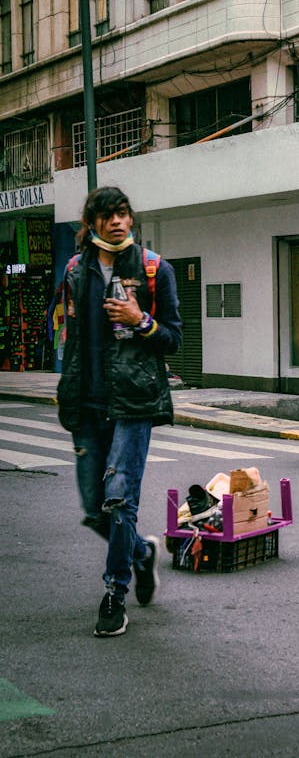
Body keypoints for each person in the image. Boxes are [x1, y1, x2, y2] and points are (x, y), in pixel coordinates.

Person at [58, 186, 181, 637]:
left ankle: (114, 592)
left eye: (123, 213)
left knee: (120, 498)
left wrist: (139, 321)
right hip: (88, 404)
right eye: (107, 215)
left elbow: (173, 337)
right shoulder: (76, 270)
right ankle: (142, 555)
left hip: (133, 402)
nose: (116, 221)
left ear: (131, 219)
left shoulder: (153, 269)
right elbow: (72, 342)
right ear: (91, 222)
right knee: (94, 510)